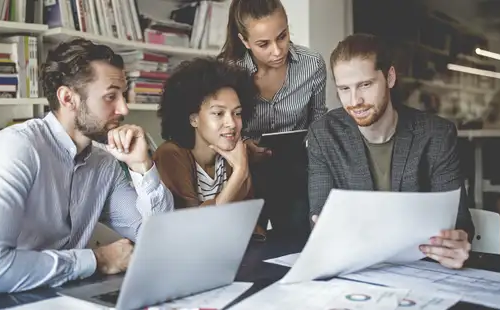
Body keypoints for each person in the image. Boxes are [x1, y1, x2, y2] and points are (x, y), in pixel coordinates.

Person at [0, 38, 174, 305]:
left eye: (123, 95)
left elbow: (156, 237)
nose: (124, 109)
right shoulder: (16, 149)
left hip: (47, 296)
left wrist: (141, 167)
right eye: (110, 96)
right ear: (67, 98)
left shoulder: (103, 163)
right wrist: (97, 259)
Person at [307, 33, 475, 269]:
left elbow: (459, 221)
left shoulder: (437, 135)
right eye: (344, 89)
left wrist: (457, 244)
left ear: (390, 77)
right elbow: (320, 218)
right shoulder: (323, 135)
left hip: (424, 272)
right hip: (358, 272)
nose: (355, 101)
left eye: (365, 85)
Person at [218, 0, 328, 237]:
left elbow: (319, 121)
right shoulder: (227, 71)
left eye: (282, 36)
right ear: (244, 41)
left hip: (296, 172)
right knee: (245, 245)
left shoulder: (312, 64)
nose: (277, 50)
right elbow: (216, 126)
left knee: (298, 241)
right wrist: (242, 145)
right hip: (244, 172)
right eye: (263, 44)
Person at [152, 57, 266, 239]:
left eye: (237, 113)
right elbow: (196, 228)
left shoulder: (234, 153)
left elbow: (246, 221)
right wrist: (239, 174)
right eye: (218, 113)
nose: (231, 123)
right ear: (193, 119)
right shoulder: (170, 155)